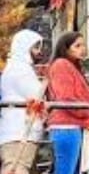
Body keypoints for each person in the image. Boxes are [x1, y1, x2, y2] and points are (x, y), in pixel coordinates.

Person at [47, 32, 89, 174]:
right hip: (67, 126)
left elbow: (75, 94)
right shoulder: (61, 65)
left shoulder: (70, 66)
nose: (83, 49)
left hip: (71, 126)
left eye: (83, 45)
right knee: (66, 171)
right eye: (77, 46)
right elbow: (66, 99)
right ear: (66, 48)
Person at [0, 30, 44, 174]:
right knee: (17, 169)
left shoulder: (16, 68)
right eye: (35, 47)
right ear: (25, 47)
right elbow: (37, 95)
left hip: (19, 132)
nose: (39, 52)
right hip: (19, 132)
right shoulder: (20, 70)